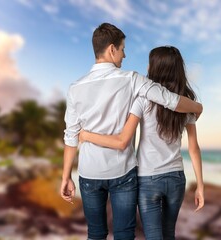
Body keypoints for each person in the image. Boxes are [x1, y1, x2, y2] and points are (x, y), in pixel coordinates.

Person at [60, 23, 203, 240]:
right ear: (111, 49)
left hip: (89, 172)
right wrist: (198, 107)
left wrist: (66, 176)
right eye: (123, 49)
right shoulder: (132, 80)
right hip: (125, 174)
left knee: (95, 233)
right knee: (126, 234)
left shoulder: (74, 88)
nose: (124, 55)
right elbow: (170, 100)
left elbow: (71, 136)